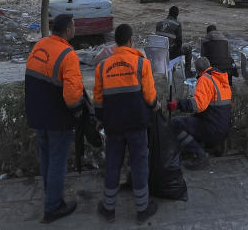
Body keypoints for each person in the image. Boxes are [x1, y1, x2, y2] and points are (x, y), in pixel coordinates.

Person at [94, 24, 159, 223]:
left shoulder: (103, 66)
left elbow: (98, 99)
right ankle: (142, 209)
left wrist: (100, 120)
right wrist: (156, 105)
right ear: (131, 41)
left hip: (113, 125)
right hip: (137, 124)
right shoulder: (142, 64)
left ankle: (108, 208)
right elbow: (149, 97)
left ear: (116, 42)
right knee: (139, 164)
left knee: (113, 164)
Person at [25, 13, 84, 223]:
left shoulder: (40, 45)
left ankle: (50, 195)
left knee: (47, 158)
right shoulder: (68, 54)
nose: (75, 29)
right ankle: (53, 207)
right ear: (68, 30)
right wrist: (78, 112)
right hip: (57, 118)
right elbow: (72, 94)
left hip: (37, 114)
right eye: (74, 26)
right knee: (58, 161)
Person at [167, 57, 232, 169]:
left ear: (197, 71)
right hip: (224, 129)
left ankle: (200, 155)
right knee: (194, 119)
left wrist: (177, 104)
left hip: (212, 129)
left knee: (175, 123)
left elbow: (197, 105)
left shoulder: (205, 79)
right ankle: (211, 147)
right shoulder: (220, 78)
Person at [156, 6, 192, 76]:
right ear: (177, 15)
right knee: (188, 48)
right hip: (170, 53)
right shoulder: (177, 24)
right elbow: (179, 42)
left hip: (159, 53)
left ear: (169, 13)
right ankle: (187, 73)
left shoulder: (159, 24)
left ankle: (171, 66)